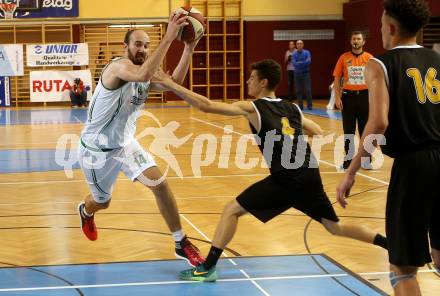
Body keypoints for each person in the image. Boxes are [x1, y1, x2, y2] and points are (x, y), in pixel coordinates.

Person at [154, 59, 388, 282]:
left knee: (231, 210)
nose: (248, 82)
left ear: (263, 82)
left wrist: (171, 84)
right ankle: (390, 245)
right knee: (335, 227)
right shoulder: (292, 108)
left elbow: (206, 106)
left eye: (252, 78)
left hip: (287, 178)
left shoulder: (252, 108)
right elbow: (316, 130)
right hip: (309, 173)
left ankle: (207, 268)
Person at [76, 13, 205, 267]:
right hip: (96, 152)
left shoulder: (144, 74)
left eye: (146, 45)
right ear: (125, 47)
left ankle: (181, 242)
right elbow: (145, 73)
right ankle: (86, 210)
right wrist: (169, 36)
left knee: (161, 184)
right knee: (103, 201)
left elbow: (173, 83)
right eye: (138, 44)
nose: (143, 49)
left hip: (125, 145)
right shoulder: (118, 67)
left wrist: (188, 48)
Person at [336, 1, 439, 295]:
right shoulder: (437, 58)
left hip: (415, 164)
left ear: (391, 28)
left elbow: (378, 122)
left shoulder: (379, 63)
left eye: (381, 25)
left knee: (402, 268)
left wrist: (351, 171)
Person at [333, 31, 374, 170]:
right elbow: (337, 78)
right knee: (349, 130)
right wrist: (337, 97)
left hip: (364, 96)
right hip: (348, 97)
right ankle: (348, 161)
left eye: (359, 39)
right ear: (351, 42)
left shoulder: (369, 58)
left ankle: (366, 160)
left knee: (365, 130)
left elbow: (375, 79)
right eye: (354, 39)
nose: (356, 41)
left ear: (363, 42)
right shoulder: (343, 58)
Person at [293, 40, 313, 110]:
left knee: (308, 90)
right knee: (298, 91)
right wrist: (303, 63)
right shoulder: (294, 54)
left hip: (306, 73)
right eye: (298, 44)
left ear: (303, 45)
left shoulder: (307, 52)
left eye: (301, 43)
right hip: (297, 74)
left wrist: (300, 63)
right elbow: (294, 63)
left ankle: (309, 106)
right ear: (296, 45)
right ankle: (300, 106)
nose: (299, 45)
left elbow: (309, 61)